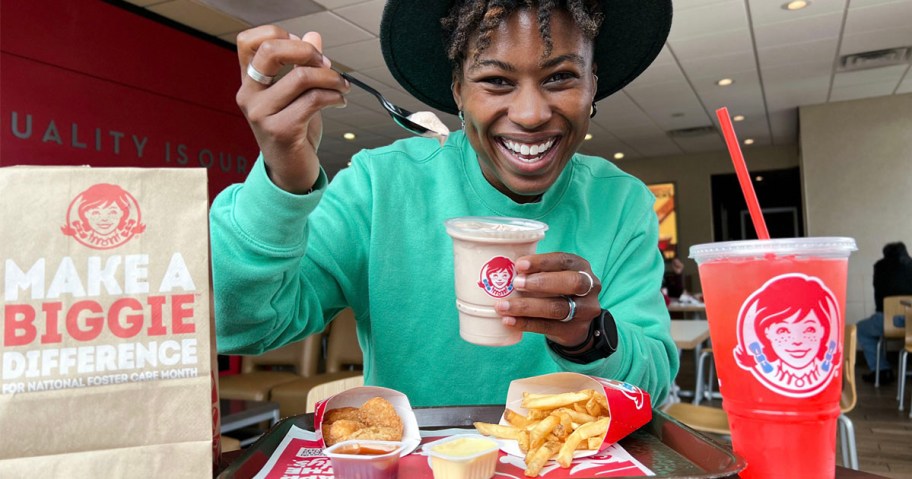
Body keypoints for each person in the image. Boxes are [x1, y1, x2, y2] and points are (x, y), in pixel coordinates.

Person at [210, 0, 679, 407]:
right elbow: (244, 326)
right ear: (457, 91)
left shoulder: (622, 202)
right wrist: (285, 177)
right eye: (496, 80)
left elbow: (654, 383)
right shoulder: (380, 186)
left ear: (593, 85)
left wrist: (587, 336)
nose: (531, 114)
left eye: (561, 77)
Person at [857, 242, 912, 384]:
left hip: (888, 321)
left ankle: (882, 371)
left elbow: (878, 297)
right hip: (911, 322)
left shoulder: (879, 266)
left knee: (861, 329)